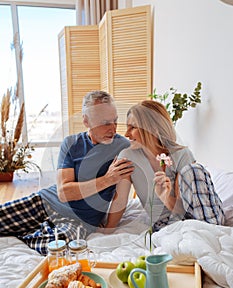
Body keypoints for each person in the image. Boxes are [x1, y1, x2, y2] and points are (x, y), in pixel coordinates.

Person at [0, 90, 134, 254]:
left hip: (80, 221)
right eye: (105, 123)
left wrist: (108, 229)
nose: (113, 128)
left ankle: (31, 232)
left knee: (56, 248)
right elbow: (64, 192)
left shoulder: (122, 148)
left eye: (115, 121)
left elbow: (121, 196)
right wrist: (107, 179)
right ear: (86, 121)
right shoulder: (71, 143)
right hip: (46, 202)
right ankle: (41, 226)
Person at [104, 100, 225, 233]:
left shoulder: (181, 154)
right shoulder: (127, 156)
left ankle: (211, 232)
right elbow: (120, 200)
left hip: (202, 216)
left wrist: (166, 197)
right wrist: (106, 231)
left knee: (193, 170)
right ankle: (201, 234)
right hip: (166, 224)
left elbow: (182, 209)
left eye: (133, 127)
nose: (126, 134)